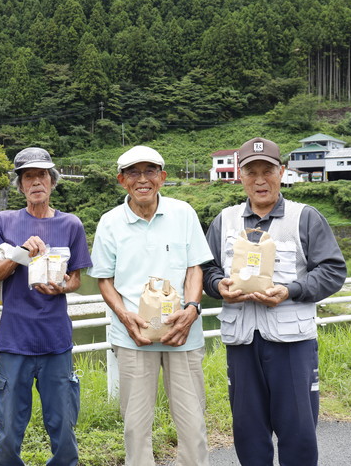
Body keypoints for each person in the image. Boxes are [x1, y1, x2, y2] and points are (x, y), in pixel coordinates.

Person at [202, 137, 347, 466]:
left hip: (292, 343)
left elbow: (333, 270)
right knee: (248, 431)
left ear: (281, 172)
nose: (259, 179)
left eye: (267, 170)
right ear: (240, 176)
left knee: (297, 431)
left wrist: (290, 290)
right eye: (251, 172)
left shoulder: (305, 218)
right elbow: (206, 268)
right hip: (241, 341)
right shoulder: (224, 220)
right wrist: (217, 285)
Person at [88, 145, 213, 466]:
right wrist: (124, 316)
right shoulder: (110, 222)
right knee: (136, 427)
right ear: (121, 180)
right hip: (134, 336)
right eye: (133, 173)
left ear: (163, 177)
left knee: (193, 425)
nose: (142, 180)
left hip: (183, 335)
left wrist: (192, 308)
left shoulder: (183, 213)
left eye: (149, 172)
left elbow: (194, 268)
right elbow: (104, 279)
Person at [0, 147, 92, 466]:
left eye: (42, 175)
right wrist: (19, 254)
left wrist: (61, 287)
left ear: (52, 181)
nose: (36, 182)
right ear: (20, 185)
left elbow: (75, 279)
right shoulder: (4, 221)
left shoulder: (71, 224)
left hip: (56, 340)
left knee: (63, 425)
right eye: (28, 176)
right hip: (14, 340)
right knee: (9, 428)